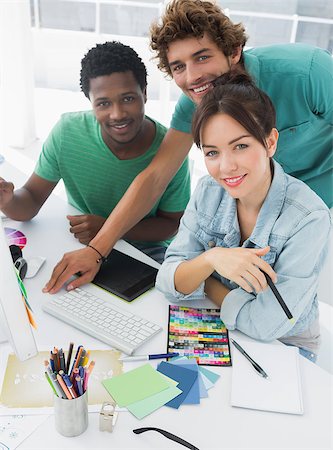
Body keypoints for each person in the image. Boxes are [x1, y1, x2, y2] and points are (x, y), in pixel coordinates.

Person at [43, 0, 332, 293]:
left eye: (202, 57)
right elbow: (155, 177)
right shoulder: (193, 105)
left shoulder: (307, 72)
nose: (192, 77)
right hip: (261, 208)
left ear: (234, 51)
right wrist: (97, 251)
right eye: (179, 66)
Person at [156, 70, 331, 362]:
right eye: (212, 153)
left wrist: (204, 278)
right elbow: (167, 281)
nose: (226, 167)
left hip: (285, 345)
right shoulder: (208, 191)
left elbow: (266, 324)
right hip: (218, 323)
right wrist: (213, 259)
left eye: (240, 146)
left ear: (270, 142)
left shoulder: (309, 218)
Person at [0, 41, 190, 267]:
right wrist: (8, 200)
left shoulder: (171, 150)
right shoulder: (67, 133)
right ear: (91, 103)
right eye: (103, 103)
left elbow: (171, 225)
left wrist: (107, 227)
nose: (117, 114)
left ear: (145, 94)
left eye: (128, 98)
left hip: (145, 250)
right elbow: (30, 200)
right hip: (81, 241)